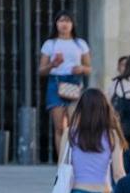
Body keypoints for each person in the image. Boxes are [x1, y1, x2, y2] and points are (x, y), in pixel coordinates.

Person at [38, 10, 91, 157]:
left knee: (75, 126)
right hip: (55, 82)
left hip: (74, 83)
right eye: (61, 21)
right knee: (59, 127)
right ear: (56, 24)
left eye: (67, 21)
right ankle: (61, 159)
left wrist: (81, 68)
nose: (64, 24)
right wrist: (53, 64)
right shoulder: (50, 44)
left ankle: (75, 158)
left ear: (72, 24)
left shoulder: (80, 43)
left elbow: (89, 68)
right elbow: (41, 70)